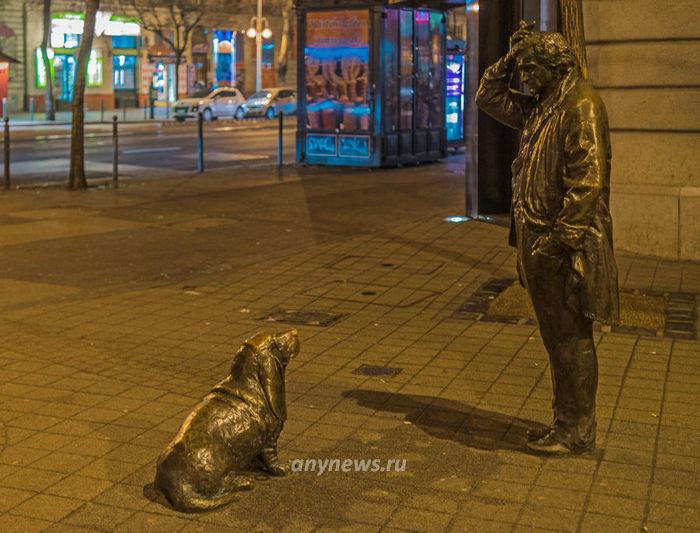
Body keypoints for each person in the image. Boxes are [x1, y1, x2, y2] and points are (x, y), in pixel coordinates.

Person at [476, 22, 619, 455]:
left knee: (571, 337)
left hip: (564, 246)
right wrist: (515, 53)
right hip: (539, 239)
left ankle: (577, 429)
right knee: (556, 337)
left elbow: (587, 181)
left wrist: (559, 240)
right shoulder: (542, 104)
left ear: (555, 67)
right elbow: (488, 96)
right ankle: (565, 421)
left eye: (531, 69)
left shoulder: (581, 104)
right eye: (521, 70)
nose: (524, 78)